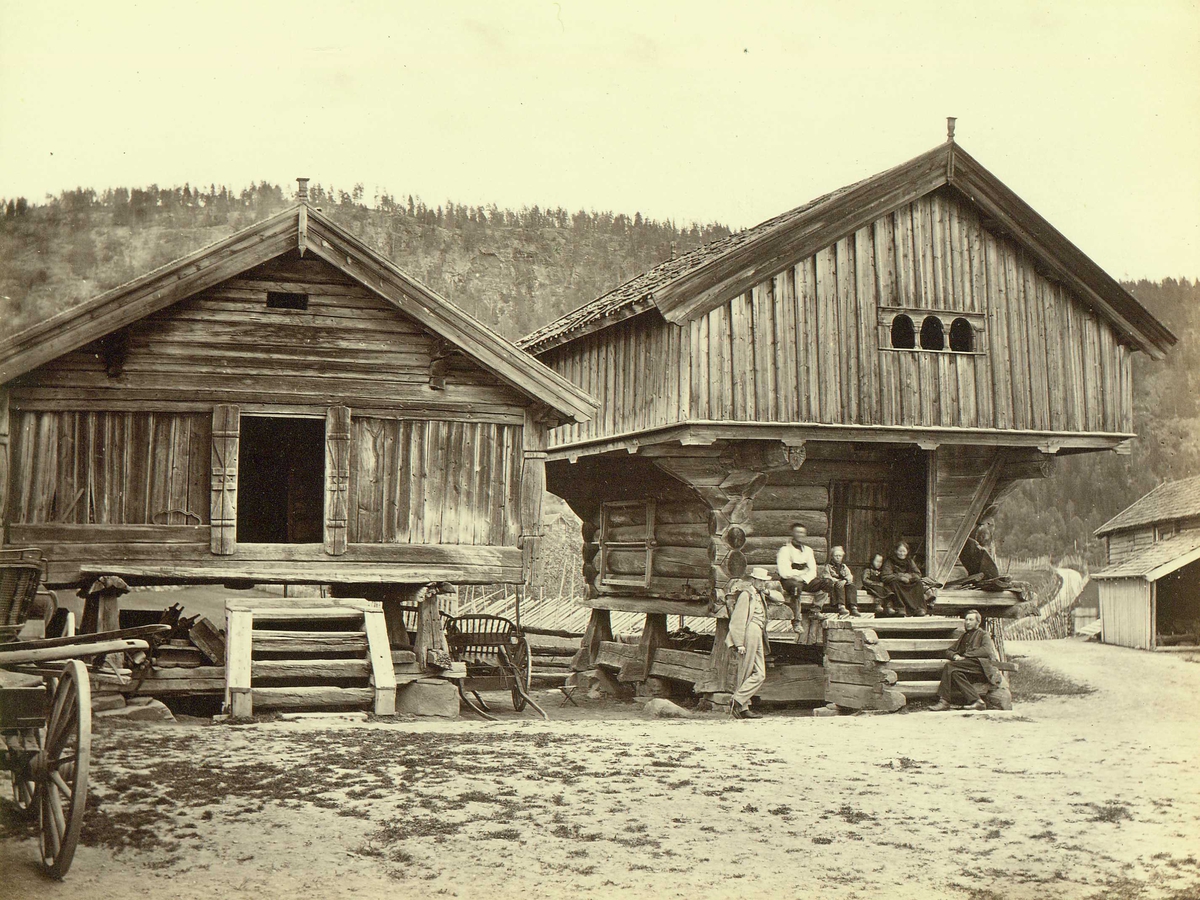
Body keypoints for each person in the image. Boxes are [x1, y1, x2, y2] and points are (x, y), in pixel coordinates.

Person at [929, 609, 1001, 711]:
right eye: (966, 620)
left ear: (978, 622)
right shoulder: (964, 636)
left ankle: (944, 701)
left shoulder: (983, 634)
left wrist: (966, 656)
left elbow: (987, 650)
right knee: (955, 674)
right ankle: (977, 701)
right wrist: (955, 656)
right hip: (968, 667)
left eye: (971, 620)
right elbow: (949, 650)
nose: (967, 622)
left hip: (981, 667)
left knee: (949, 666)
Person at [726, 566, 771, 719]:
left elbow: (780, 598)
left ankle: (738, 700)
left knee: (760, 674)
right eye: (760, 581)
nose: (763, 584)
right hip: (749, 631)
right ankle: (742, 707)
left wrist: (768, 592)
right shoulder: (746, 595)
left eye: (764, 581)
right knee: (745, 670)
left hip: (758, 631)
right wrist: (739, 643)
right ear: (753, 580)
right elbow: (737, 620)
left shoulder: (760, 594)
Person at [777, 523, 842, 615]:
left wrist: (803, 578)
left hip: (805, 581)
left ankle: (815, 610)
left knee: (827, 583)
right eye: (798, 532)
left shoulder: (808, 550)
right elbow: (784, 572)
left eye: (802, 533)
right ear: (792, 533)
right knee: (796, 587)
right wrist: (802, 572)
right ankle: (796, 620)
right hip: (790, 581)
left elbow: (812, 570)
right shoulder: (784, 550)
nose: (800, 535)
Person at [880, 541, 937, 617]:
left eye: (904, 551)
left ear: (907, 552)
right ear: (896, 551)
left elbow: (918, 574)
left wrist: (909, 577)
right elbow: (885, 576)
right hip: (898, 584)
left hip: (909, 583)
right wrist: (900, 577)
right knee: (894, 583)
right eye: (900, 551)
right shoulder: (890, 561)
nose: (902, 553)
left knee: (918, 582)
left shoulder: (909, 561)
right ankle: (901, 608)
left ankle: (919, 608)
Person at [820, 546, 858, 616]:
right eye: (836, 556)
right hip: (834, 586)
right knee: (839, 585)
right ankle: (841, 606)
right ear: (832, 556)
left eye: (840, 556)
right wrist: (837, 581)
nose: (838, 557)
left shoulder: (844, 567)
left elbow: (850, 576)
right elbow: (826, 576)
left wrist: (845, 581)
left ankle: (853, 607)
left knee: (852, 586)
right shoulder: (828, 567)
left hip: (843, 583)